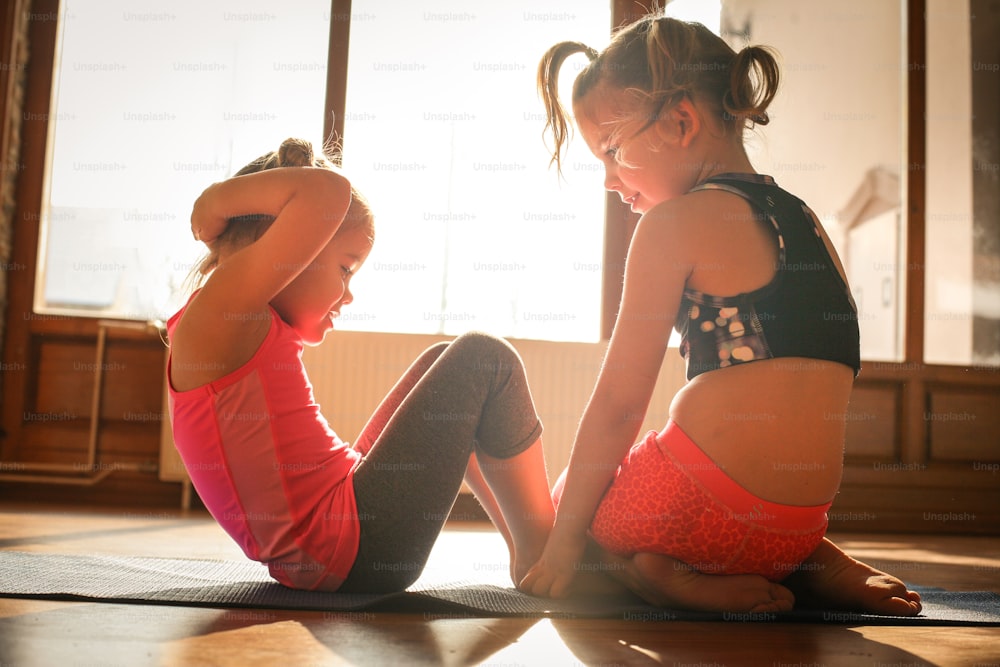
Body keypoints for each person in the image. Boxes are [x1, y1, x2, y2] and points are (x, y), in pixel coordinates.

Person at [518, 14, 923, 615]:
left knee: (566, 507)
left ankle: (659, 575)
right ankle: (816, 563)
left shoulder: (669, 225)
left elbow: (618, 406)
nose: (607, 179)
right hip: (797, 522)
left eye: (612, 150)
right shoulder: (808, 220)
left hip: (696, 513)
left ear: (681, 122)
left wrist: (561, 549)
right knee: (752, 516)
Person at [166, 137, 554, 593]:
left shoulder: (226, 322)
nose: (348, 294)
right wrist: (214, 200)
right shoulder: (221, 316)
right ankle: (548, 544)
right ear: (288, 248)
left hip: (341, 538)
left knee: (442, 360)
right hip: (359, 545)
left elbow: (324, 197)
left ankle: (530, 549)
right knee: (487, 359)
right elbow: (329, 193)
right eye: (346, 269)